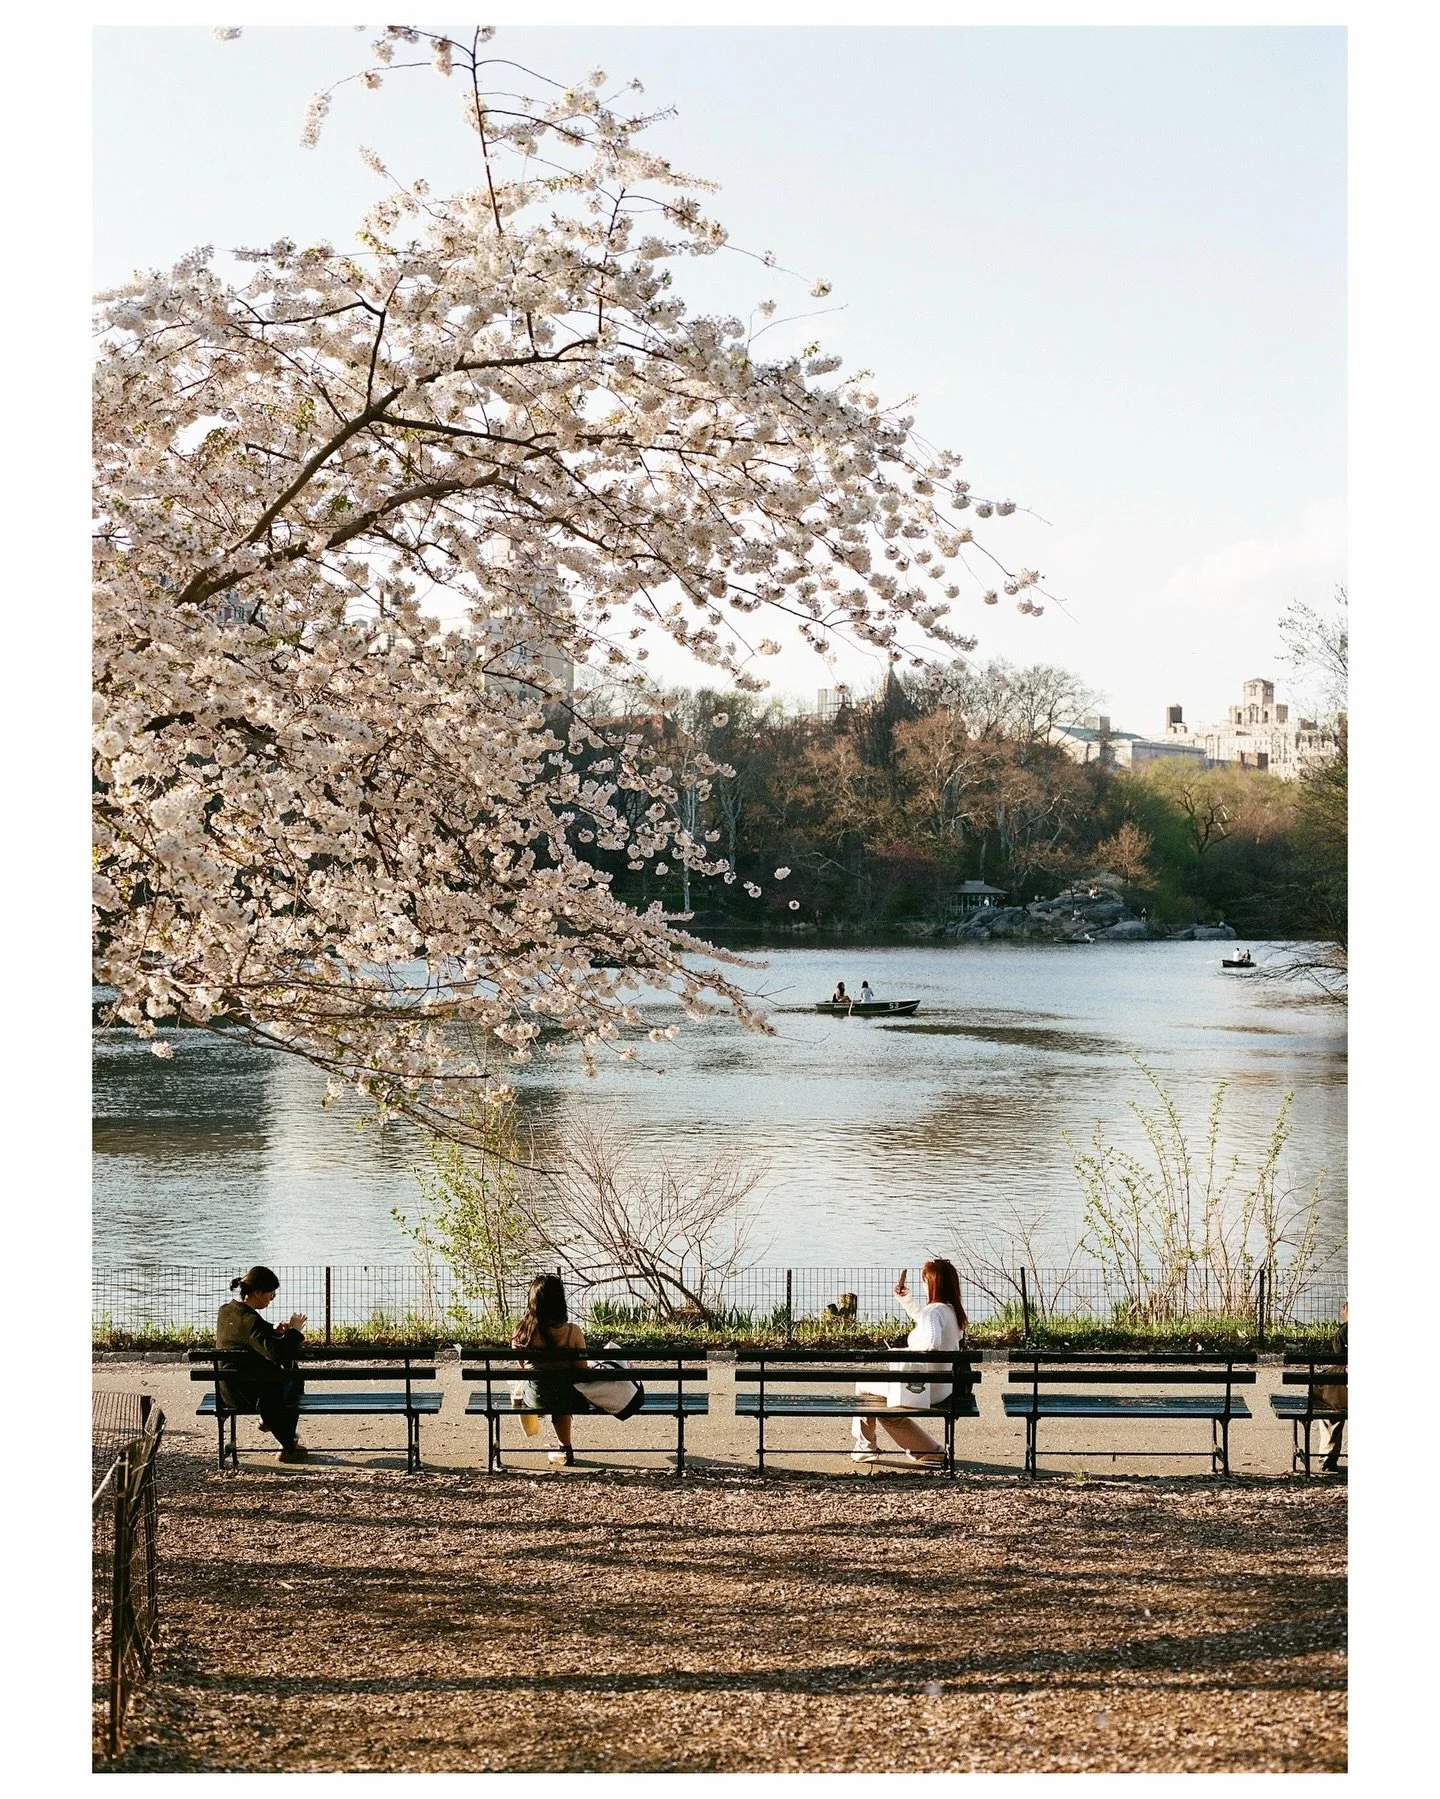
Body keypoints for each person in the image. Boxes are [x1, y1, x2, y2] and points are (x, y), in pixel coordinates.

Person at [852, 1259, 968, 1467]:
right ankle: (929, 1451)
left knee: (863, 1384)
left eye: (924, 1281)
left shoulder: (933, 1312)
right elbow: (928, 1322)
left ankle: (865, 1446)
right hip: (943, 1387)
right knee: (886, 1411)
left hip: (922, 1389)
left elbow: (931, 1342)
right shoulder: (951, 1311)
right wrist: (907, 1301)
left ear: (932, 1283)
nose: (923, 1285)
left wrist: (903, 1352)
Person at [215, 1266, 308, 1463]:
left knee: (289, 1377)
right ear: (257, 1292)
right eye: (271, 1295)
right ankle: (287, 1445)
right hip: (250, 1395)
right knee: (293, 1376)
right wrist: (295, 1332)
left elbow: (245, 1335)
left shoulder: (226, 1311)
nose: (271, 1299)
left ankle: (273, 1426)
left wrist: (271, 1329)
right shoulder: (251, 1321)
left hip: (227, 1391)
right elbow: (279, 1356)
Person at [512, 1273, 589, 1467]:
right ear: (560, 1302)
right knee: (561, 1390)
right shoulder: (573, 1332)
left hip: (536, 1397)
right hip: (569, 1397)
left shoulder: (522, 1331)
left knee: (540, 1386)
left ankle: (563, 1449)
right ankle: (565, 1447)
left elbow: (522, 1366)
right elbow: (582, 1370)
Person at [1316, 1304, 1347, 1473]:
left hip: (1345, 1398)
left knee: (1330, 1402)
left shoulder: (1344, 1333)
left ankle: (1328, 1456)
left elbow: (1339, 1362)